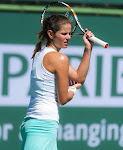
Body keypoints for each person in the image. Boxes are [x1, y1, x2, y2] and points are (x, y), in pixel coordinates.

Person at [21, 14, 94, 150]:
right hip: (42, 126)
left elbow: (78, 77)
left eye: (69, 33)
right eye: (64, 34)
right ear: (50, 34)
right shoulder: (59, 58)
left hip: (36, 124)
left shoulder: (40, 53)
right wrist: (73, 90)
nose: (68, 37)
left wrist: (88, 48)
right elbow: (63, 99)